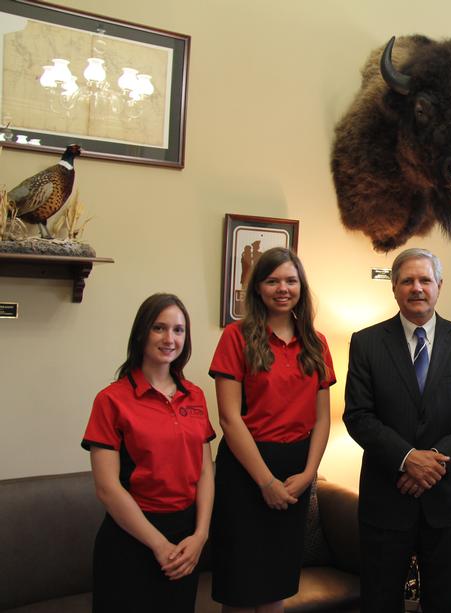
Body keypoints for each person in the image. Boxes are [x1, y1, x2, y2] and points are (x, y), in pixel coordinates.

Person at [343, 247, 451, 613]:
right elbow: (358, 415)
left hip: (446, 501)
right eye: (407, 280)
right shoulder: (366, 342)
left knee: (444, 602)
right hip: (386, 498)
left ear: (439, 285)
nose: (417, 288)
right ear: (394, 288)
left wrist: (432, 465)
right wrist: (407, 459)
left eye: (425, 279)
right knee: (379, 601)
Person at [209, 247, 335, 613]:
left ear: (301, 287)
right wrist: (265, 482)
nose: (283, 288)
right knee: (241, 586)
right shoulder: (236, 337)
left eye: (291, 281)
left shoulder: (316, 342)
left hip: (296, 469)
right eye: (272, 280)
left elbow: (322, 418)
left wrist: (309, 474)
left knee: (277, 583)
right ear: (258, 288)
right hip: (246, 471)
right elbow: (229, 419)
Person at [82, 293, 215, 613]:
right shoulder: (111, 400)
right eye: (159, 328)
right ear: (142, 332)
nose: (170, 338)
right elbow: (107, 487)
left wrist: (200, 535)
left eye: (179, 330)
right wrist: (158, 546)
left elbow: (205, 470)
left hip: (185, 542)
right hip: (131, 541)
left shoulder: (195, 395)